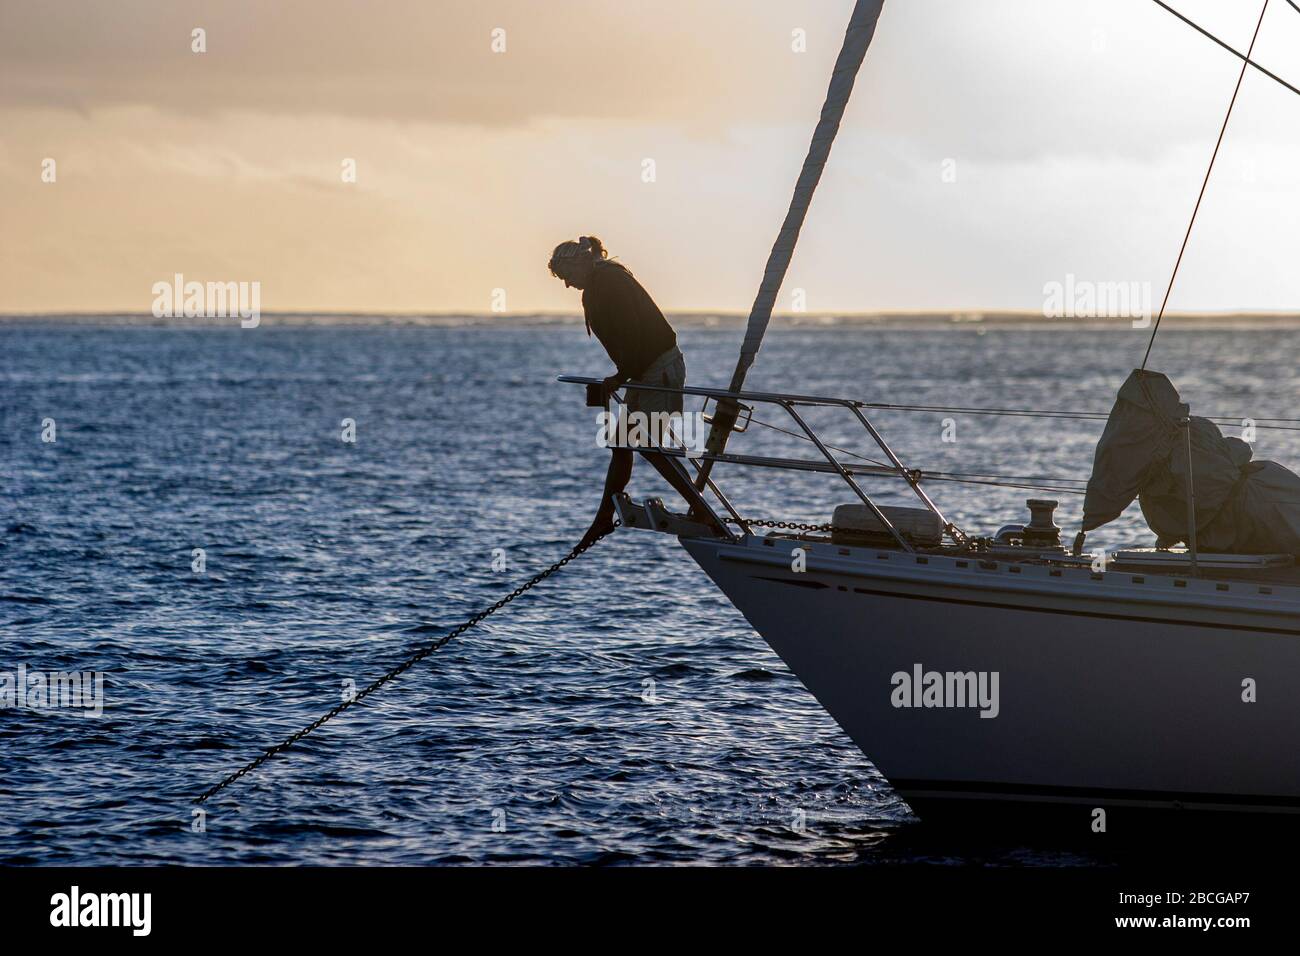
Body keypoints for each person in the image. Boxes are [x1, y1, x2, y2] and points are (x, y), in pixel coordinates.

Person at [548, 235, 703, 546]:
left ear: (578, 265)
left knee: (646, 444)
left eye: (566, 277)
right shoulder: (600, 282)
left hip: (658, 369)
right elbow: (628, 339)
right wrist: (622, 376)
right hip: (644, 371)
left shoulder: (608, 282)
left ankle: (702, 509)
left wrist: (619, 377)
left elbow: (631, 332)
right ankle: (603, 519)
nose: (566, 285)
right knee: (622, 445)